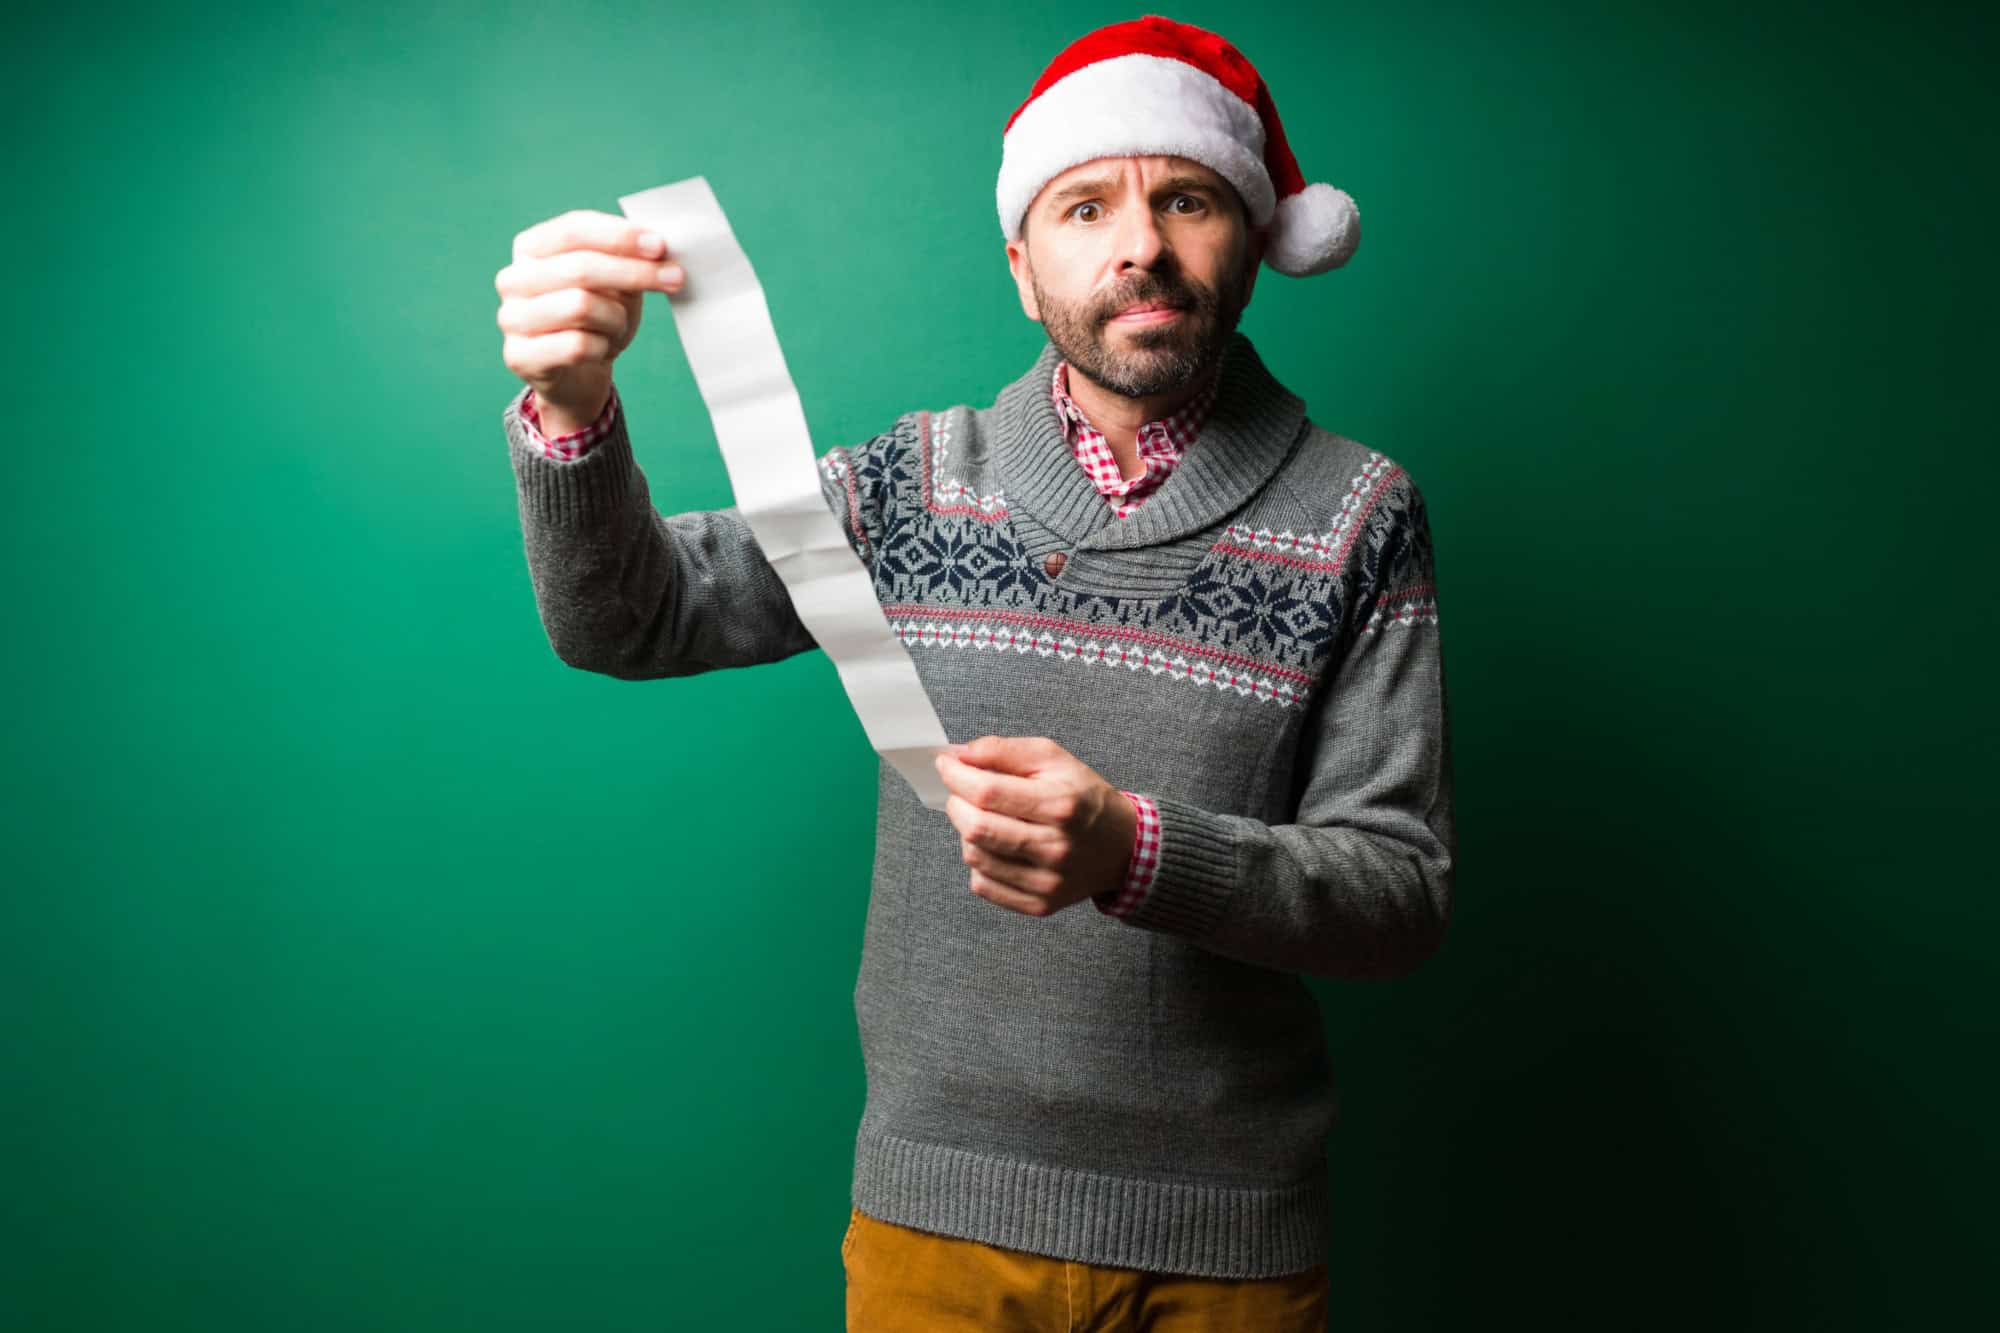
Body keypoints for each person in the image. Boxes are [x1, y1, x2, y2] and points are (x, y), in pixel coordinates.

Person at [492, 15, 1453, 1331]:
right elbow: (628, 619)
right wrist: (572, 412)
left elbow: (1398, 893)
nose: (1140, 246)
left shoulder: (1360, 512)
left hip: (1229, 1240)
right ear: (1021, 264)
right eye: (1084, 206)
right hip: (932, 1222)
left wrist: (1136, 848)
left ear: (1251, 234)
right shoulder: (911, 483)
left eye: (1186, 197)